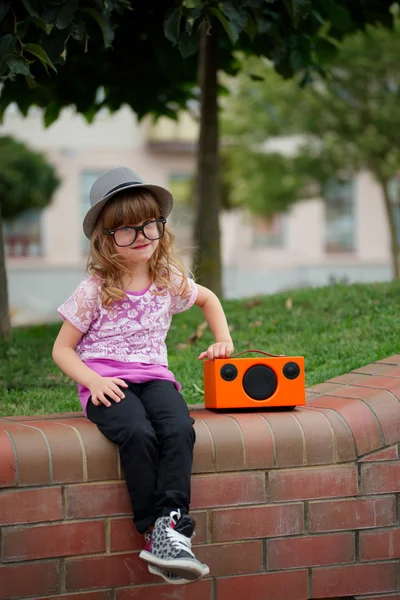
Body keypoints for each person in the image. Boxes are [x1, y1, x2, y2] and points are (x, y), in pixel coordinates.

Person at [52, 167, 234, 585]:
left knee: (178, 429)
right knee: (138, 433)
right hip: (107, 380)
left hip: (154, 376)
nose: (141, 237)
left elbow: (208, 298)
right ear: (105, 239)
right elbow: (62, 349)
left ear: (161, 227)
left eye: (149, 225)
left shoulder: (167, 280)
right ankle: (153, 530)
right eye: (127, 230)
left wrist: (222, 338)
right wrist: (93, 381)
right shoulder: (94, 288)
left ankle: (171, 526)